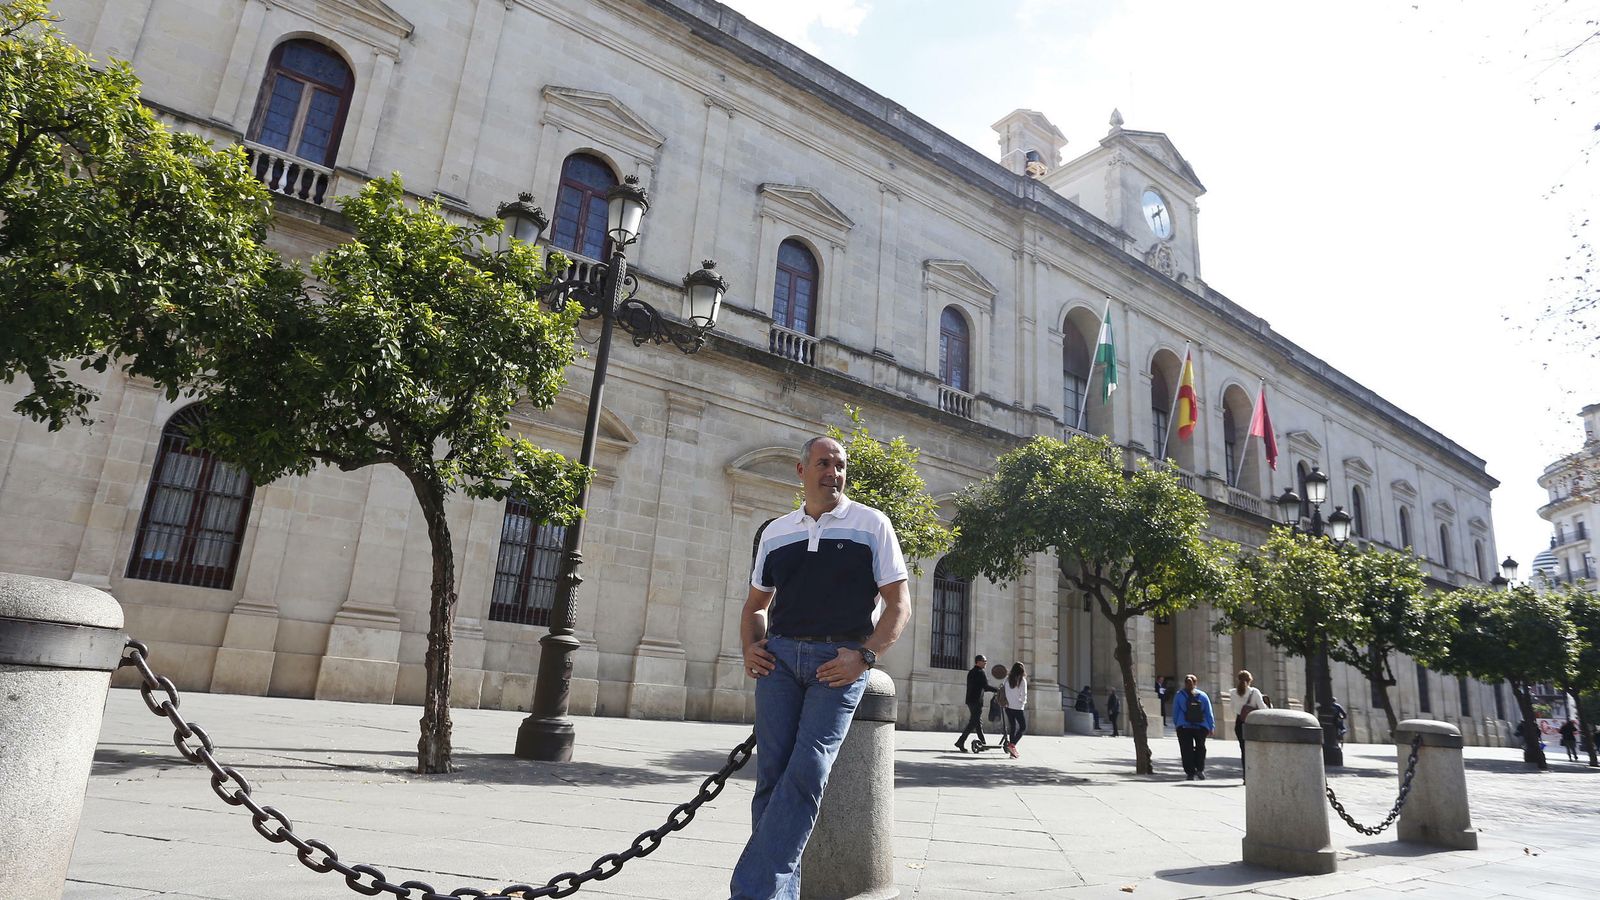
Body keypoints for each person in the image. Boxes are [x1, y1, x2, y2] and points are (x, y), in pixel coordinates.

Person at [733, 436, 910, 900]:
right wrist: (751, 646)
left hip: (839, 663)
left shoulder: (872, 524)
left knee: (809, 769)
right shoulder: (776, 533)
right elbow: (756, 605)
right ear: (801, 470)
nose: (833, 471)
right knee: (771, 776)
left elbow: (898, 604)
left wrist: (865, 656)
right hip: (780, 662)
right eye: (824, 463)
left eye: (840, 465)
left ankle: (751, 893)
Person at [1172, 673, 1215, 781]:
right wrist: (1211, 726)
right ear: (1196, 683)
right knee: (1200, 747)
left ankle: (1190, 773)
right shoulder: (1203, 695)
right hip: (1201, 726)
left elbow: (1175, 712)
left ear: (1184, 683)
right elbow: (1208, 712)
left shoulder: (1179, 695)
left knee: (1186, 750)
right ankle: (1200, 769)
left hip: (1184, 727)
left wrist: (1177, 724)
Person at [955, 654, 997, 752]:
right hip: (976, 701)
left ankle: (983, 743)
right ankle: (960, 741)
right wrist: (997, 689)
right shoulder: (980, 672)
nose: (986, 662)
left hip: (970, 700)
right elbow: (985, 687)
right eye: (984, 661)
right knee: (973, 722)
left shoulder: (971, 672)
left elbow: (981, 687)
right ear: (978, 662)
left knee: (977, 722)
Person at [1233, 670, 1265, 782]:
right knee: (1254, 750)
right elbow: (1262, 708)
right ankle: (1254, 774)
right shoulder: (1254, 692)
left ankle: (1246, 775)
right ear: (1250, 680)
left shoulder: (1233, 693)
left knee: (1243, 750)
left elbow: (1234, 709)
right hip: (1252, 723)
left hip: (1239, 723)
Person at [1000, 662, 1029, 758]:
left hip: (1008, 706)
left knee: (1013, 726)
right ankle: (1012, 745)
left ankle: (1012, 753)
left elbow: (1003, 691)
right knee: (1023, 727)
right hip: (1017, 707)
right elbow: (1024, 694)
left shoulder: (1007, 679)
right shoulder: (1022, 680)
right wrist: (1023, 702)